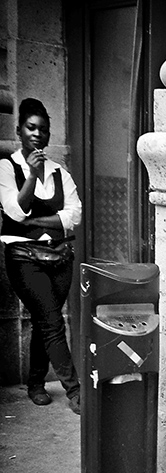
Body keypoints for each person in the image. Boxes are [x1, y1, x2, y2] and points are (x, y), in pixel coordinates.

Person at [1, 98, 83, 414]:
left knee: (44, 322)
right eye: (31, 128)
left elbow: (73, 215)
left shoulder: (60, 172)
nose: (37, 134)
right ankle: (75, 391)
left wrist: (33, 221)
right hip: (24, 258)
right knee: (51, 321)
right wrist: (32, 176)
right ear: (19, 130)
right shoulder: (6, 167)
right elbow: (14, 210)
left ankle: (35, 383)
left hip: (60, 257)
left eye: (43, 130)